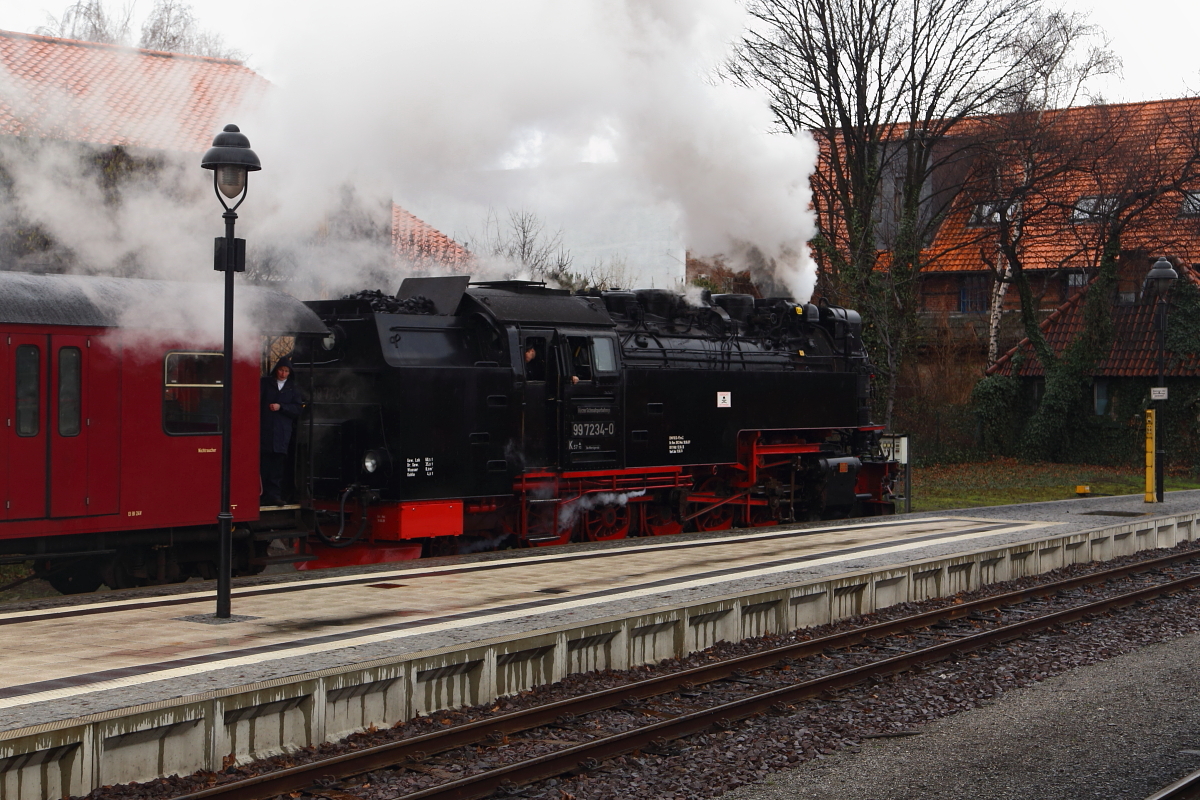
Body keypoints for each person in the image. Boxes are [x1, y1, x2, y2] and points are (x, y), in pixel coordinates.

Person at [260, 356, 303, 506]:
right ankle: (262, 494)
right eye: (281, 370)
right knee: (264, 464)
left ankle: (274, 495)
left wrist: (281, 407)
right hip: (265, 430)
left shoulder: (293, 388)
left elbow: (297, 409)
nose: (283, 374)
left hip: (282, 433)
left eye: (286, 371)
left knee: (277, 467)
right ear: (276, 370)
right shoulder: (265, 383)